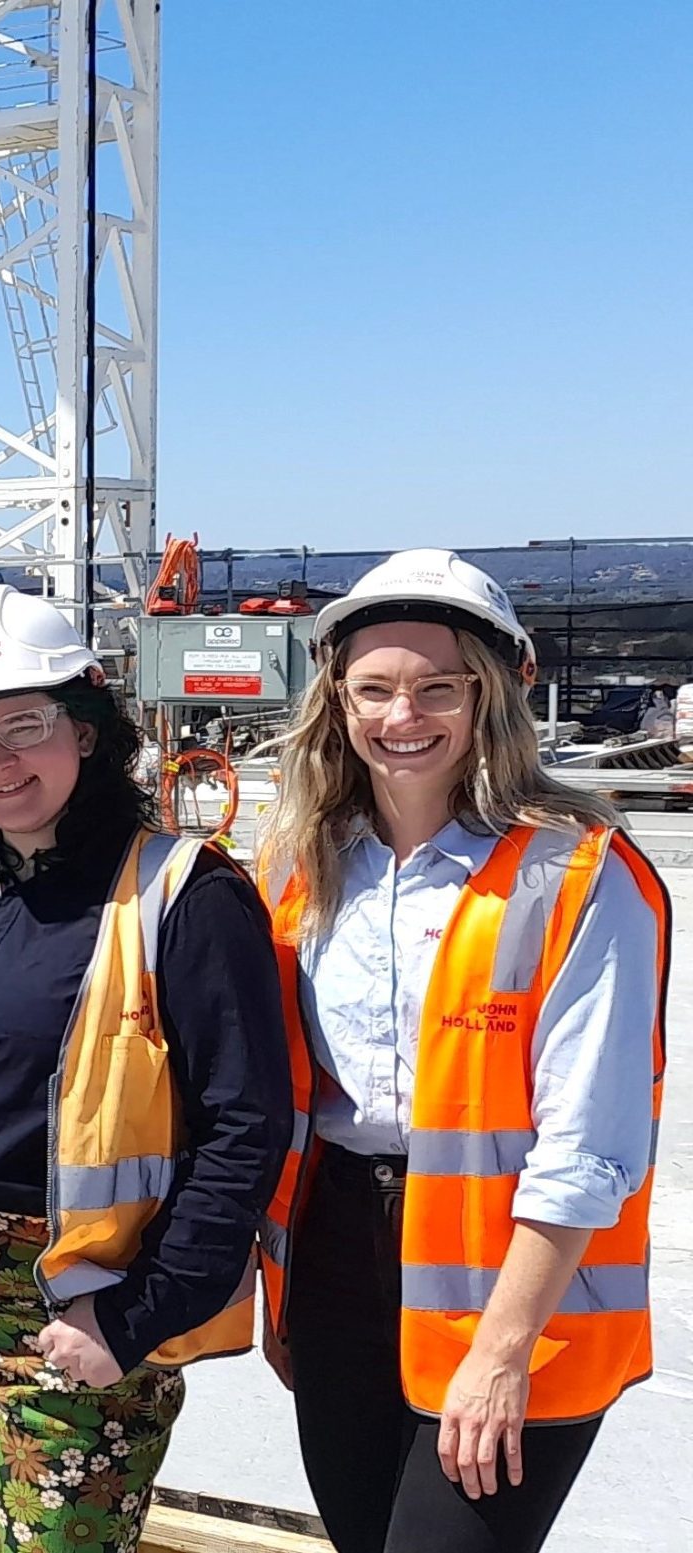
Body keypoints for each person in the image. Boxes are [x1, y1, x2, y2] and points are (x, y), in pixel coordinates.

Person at [0, 584, 289, 1553]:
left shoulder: (184, 895)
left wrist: (136, 1316)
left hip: (73, 1307)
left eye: (25, 726)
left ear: (86, 730)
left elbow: (245, 1127)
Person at [256, 549, 667, 1553]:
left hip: (515, 1279)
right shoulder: (300, 865)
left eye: (438, 687)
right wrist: (285, 1288)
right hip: (336, 1261)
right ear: (336, 700)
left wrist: (501, 1348)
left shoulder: (579, 874)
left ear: (491, 695)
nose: (403, 715)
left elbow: (591, 1144)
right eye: (373, 689)